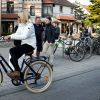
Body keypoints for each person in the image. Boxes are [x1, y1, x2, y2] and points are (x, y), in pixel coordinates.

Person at [4, 12, 36, 79]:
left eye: (18, 17)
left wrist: (10, 36)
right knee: (12, 59)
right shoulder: (21, 25)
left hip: (30, 45)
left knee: (12, 50)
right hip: (24, 44)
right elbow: (17, 34)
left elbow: (24, 36)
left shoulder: (30, 25)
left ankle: (17, 72)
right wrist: (9, 36)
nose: (17, 18)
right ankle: (21, 76)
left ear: (23, 17)